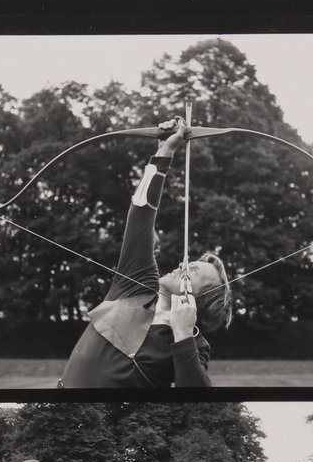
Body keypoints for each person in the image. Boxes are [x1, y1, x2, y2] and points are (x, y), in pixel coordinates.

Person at [58, 120, 232, 388]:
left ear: (200, 298)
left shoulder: (195, 343)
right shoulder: (135, 284)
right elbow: (140, 213)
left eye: (193, 271)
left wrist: (183, 333)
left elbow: (196, 400)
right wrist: (164, 151)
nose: (182, 266)